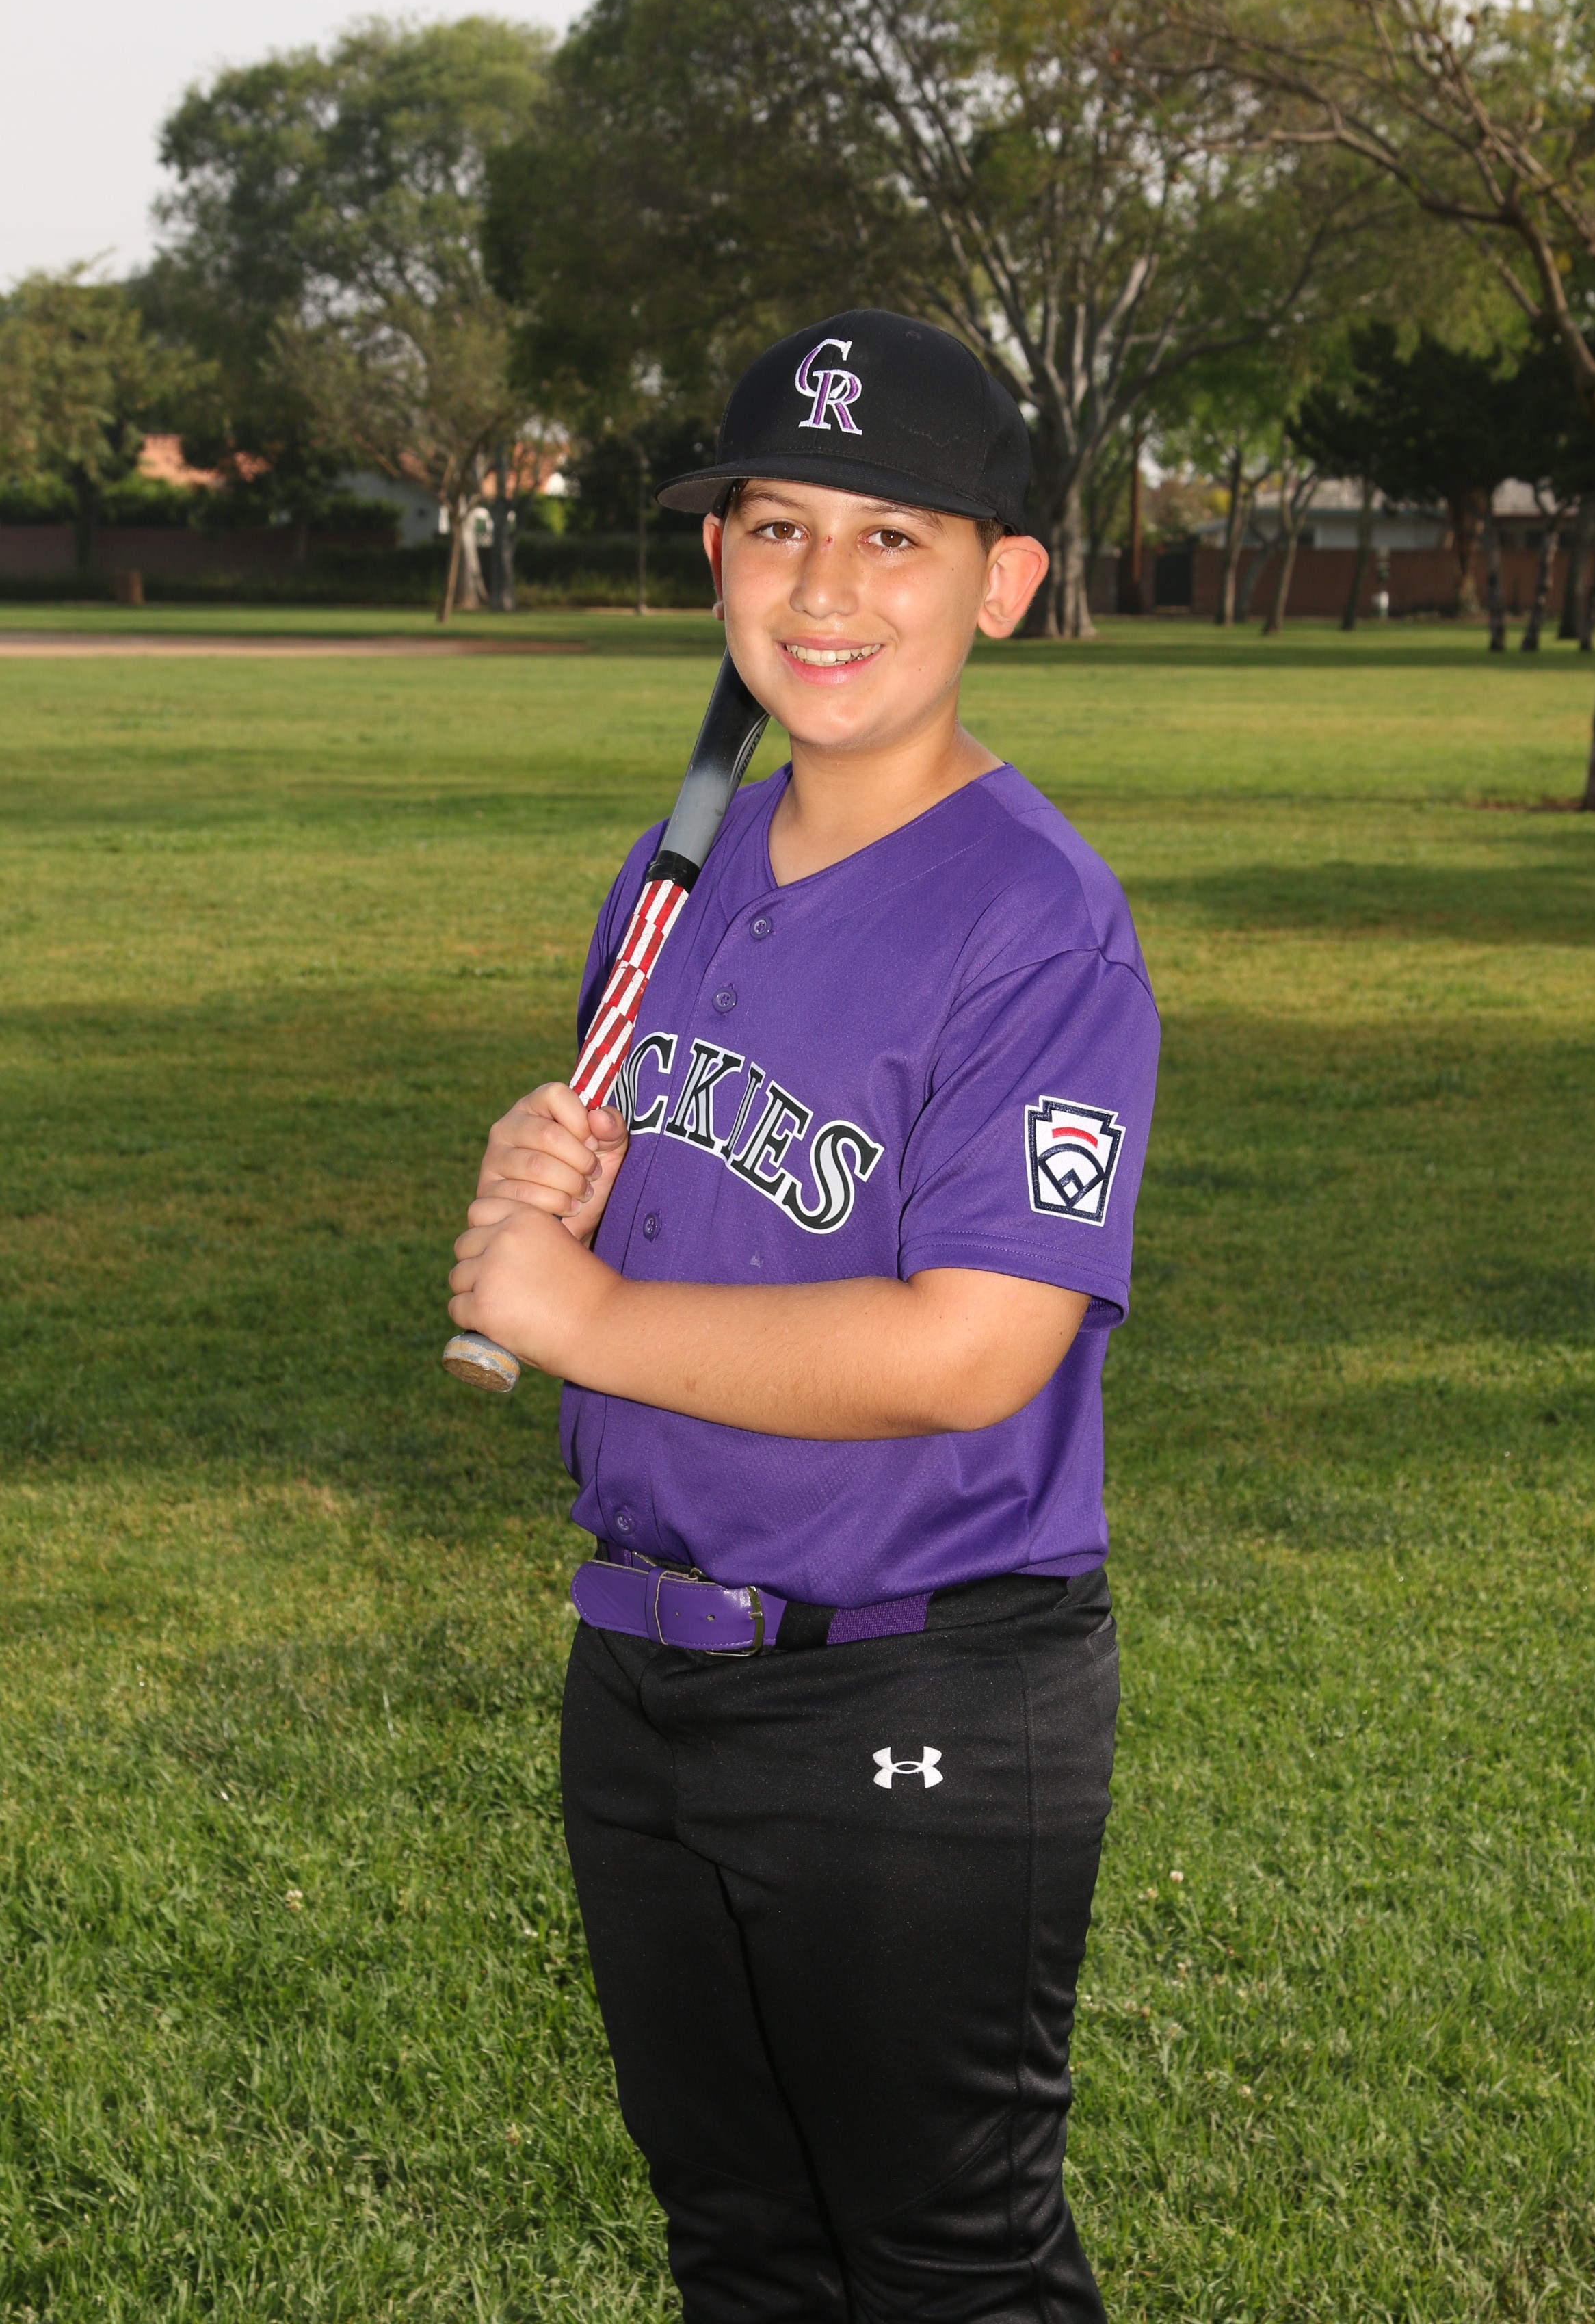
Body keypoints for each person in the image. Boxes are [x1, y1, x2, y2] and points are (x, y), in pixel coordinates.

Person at [447, 309, 1161, 2323]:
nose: (825, 586)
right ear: (716, 561)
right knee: (741, 2246)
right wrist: (557, 1175)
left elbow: (975, 1349)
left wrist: (582, 1311)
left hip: (914, 1691)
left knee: (947, 2265)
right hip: (646, 1665)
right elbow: (670, 1174)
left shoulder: (1038, 922)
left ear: (1005, 585)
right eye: (778, 526)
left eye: (894, 536)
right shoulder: (677, 872)